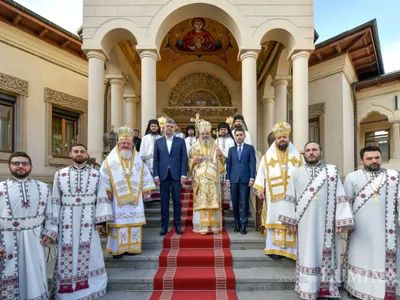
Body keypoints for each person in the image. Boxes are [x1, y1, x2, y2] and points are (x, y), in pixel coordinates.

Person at [278, 142, 354, 299]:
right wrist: (290, 221)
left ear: (320, 152)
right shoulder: (296, 173)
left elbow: (340, 196)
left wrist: (342, 219)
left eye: (314, 150)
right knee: (308, 253)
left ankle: (328, 288)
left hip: (328, 223)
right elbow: (290, 198)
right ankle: (307, 287)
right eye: (308, 150)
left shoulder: (332, 172)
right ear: (304, 154)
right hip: (304, 224)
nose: (311, 153)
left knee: (328, 253)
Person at [51, 144, 114, 298]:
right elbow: (55, 199)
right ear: (70, 154)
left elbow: (101, 196)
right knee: (67, 249)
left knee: (91, 249)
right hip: (66, 219)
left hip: (89, 216)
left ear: (86, 154)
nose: (79, 154)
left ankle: (92, 285)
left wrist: (101, 220)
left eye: (82, 151)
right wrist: (54, 223)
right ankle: (67, 286)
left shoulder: (96, 174)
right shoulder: (60, 174)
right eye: (76, 151)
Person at [342, 145, 400, 300]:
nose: (374, 161)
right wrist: (346, 223)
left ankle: (385, 292)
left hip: (387, 229)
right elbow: (345, 202)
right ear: (362, 160)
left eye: (377, 157)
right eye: (369, 158)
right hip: (361, 229)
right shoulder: (352, 177)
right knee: (359, 257)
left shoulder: (394, 176)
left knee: (384, 260)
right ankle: (356, 288)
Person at [0, 152, 56, 300]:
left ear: (30, 166)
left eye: (24, 163)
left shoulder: (43, 188)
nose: (20, 166)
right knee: (8, 274)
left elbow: (50, 214)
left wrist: (49, 233)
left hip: (34, 239)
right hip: (6, 240)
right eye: (16, 163)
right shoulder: (0, 188)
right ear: (9, 166)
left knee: (34, 274)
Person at [100, 126, 156, 258]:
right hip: (117, 199)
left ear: (132, 145)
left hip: (135, 200)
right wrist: (106, 190)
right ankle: (118, 249)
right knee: (118, 223)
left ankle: (132, 248)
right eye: (123, 143)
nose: (126, 145)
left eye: (128, 143)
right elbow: (103, 176)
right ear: (118, 144)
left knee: (133, 221)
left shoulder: (138, 160)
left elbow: (145, 175)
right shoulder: (109, 161)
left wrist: (146, 189)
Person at [253, 122, 303, 260]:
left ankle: (290, 251)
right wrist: (259, 189)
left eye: (284, 137)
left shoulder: (298, 156)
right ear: (275, 139)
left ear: (288, 139)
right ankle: (274, 250)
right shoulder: (267, 157)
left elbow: (304, 175)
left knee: (290, 221)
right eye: (279, 137)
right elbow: (261, 173)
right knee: (274, 220)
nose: (282, 139)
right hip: (273, 198)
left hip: (292, 197)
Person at [189, 120, 225, 234]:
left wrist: (220, 155)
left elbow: (221, 162)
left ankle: (214, 226)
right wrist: (193, 161)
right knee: (202, 202)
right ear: (199, 134)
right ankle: (202, 226)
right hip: (200, 177)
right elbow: (189, 161)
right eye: (203, 134)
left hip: (213, 176)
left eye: (207, 134)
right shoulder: (195, 146)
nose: (205, 135)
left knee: (213, 201)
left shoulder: (215, 145)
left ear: (210, 134)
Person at [153, 119, 188, 236]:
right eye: (167, 126)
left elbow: (184, 158)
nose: (169, 128)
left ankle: (177, 225)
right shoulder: (158, 142)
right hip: (163, 176)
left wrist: (183, 174)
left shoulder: (180, 141)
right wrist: (156, 175)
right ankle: (164, 226)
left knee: (177, 202)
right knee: (164, 202)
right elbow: (156, 160)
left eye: (171, 126)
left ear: (175, 128)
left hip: (176, 176)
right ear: (164, 128)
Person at [226, 128, 256, 235]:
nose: (239, 137)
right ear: (235, 136)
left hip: (245, 179)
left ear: (244, 136)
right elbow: (228, 165)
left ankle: (244, 225)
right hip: (233, 179)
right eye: (237, 135)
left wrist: (252, 178)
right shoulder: (231, 150)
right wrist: (228, 178)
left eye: (241, 135)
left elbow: (252, 164)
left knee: (244, 203)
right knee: (234, 203)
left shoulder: (250, 148)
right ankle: (237, 223)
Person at [140, 119, 162, 202]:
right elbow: (142, 150)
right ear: (149, 127)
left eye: (155, 126)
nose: (153, 128)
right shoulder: (145, 138)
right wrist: (142, 160)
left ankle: (158, 196)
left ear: (158, 127)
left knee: (158, 177)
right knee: (148, 177)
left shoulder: (161, 138)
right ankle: (148, 196)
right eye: (152, 126)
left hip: (159, 161)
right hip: (147, 161)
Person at [216, 122, 236, 210]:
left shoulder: (231, 140)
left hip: (228, 164)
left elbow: (233, 153)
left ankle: (227, 204)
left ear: (227, 130)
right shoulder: (216, 140)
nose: (223, 131)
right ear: (219, 131)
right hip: (218, 165)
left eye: (225, 129)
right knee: (218, 184)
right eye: (221, 130)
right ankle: (218, 203)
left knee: (227, 185)